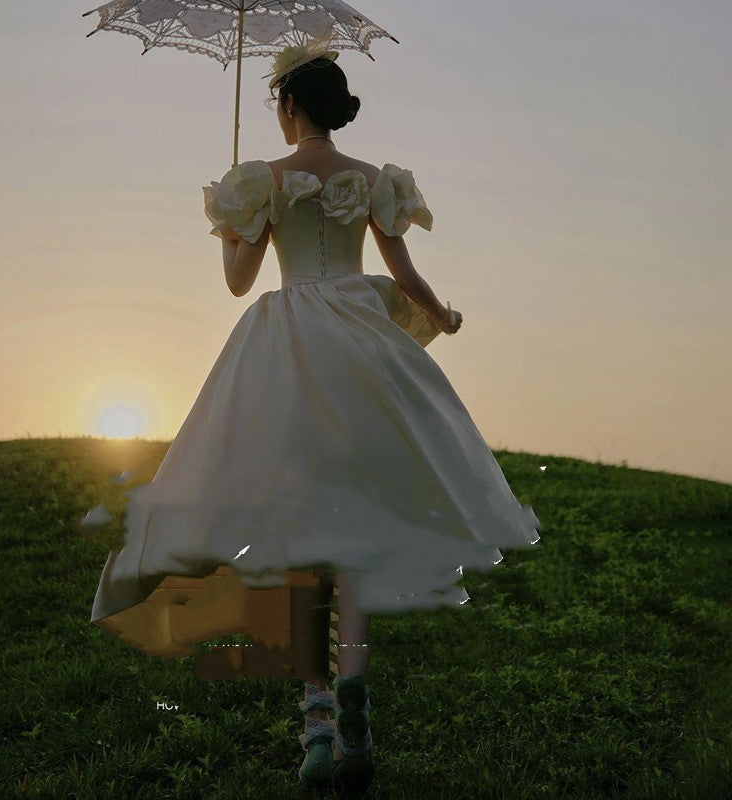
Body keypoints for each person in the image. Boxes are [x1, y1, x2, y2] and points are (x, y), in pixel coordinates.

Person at [89, 36, 542, 799]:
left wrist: (232, 229)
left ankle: (316, 722)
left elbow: (238, 284)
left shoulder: (261, 181)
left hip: (289, 346)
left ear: (289, 106)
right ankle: (357, 701)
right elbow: (404, 274)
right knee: (357, 532)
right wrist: (444, 317)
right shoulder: (374, 180)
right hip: (362, 344)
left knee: (298, 539)